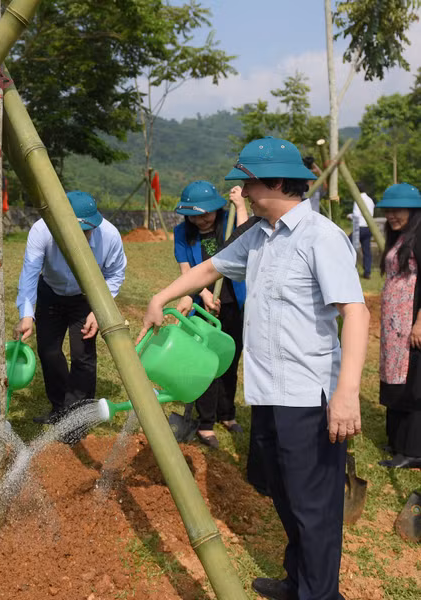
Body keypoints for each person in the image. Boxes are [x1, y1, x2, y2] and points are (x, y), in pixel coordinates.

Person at [140, 137, 368, 600]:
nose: (242, 192)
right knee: (282, 494)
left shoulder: (321, 237)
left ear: (279, 183)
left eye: (250, 184)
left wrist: (346, 393)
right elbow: (209, 269)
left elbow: (357, 313)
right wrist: (160, 297)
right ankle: (299, 581)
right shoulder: (259, 237)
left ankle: (319, 594)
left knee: (314, 507)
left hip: (308, 397)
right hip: (266, 395)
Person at [15, 191, 127, 424]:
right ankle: (59, 408)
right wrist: (26, 314)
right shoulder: (42, 230)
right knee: (48, 351)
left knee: (82, 355)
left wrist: (99, 310)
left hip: (86, 297)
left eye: (87, 232)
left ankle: (79, 416)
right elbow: (30, 273)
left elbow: (115, 274)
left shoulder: (109, 235)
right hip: (50, 292)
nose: (83, 238)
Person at [171, 180, 249, 448]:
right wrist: (203, 293)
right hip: (202, 305)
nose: (201, 220)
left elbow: (247, 240)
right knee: (206, 363)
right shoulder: (181, 232)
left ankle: (227, 414)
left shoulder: (229, 222)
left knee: (230, 358)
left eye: (206, 214)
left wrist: (241, 205)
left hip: (233, 303)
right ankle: (205, 423)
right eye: (195, 216)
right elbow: (186, 271)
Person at [376, 182, 421, 470]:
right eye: (388, 210)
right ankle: (396, 440)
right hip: (395, 326)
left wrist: (420, 322)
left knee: (414, 383)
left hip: (412, 325)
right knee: (396, 377)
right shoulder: (401, 238)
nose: (392, 215)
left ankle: (413, 450)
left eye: (398, 210)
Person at [349, 183, 376, 279]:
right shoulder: (370, 200)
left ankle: (351, 269)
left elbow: (356, 215)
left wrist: (349, 216)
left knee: (348, 245)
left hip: (359, 227)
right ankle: (367, 272)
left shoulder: (358, 199)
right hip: (369, 227)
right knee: (366, 250)